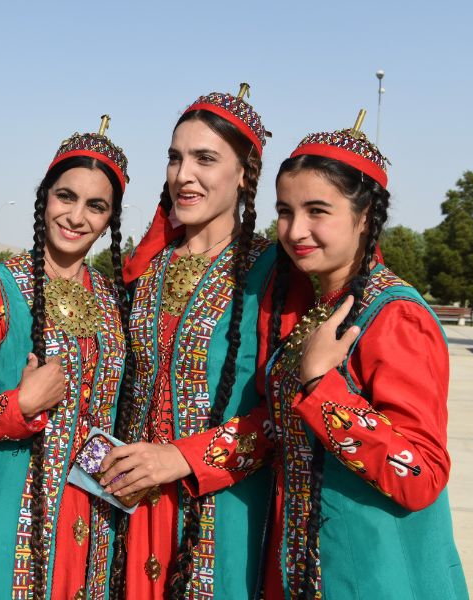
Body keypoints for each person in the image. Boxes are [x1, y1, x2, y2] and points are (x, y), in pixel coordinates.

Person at [262, 111, 468, 599]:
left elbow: (420, 474)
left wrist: (320, 385)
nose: (295, 230)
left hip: (373, 573)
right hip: (310, 566)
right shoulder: (325, 307)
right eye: (286, 211)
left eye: (317, 211)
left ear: (365, 217)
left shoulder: (395, 316)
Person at [101, 86, 281, 599]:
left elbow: (289, 411)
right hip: (131, 513)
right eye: (176, 158)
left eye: (206, 158)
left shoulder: (273, 272)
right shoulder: (149, 268)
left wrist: (182, 458)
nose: (184, 175)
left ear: (245, 173)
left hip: (224, 512)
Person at [0, 117, 130, 599]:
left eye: (96, 206)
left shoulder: (112, 298)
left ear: (110, 219)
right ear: (43, 197)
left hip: (94, 518)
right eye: (65, 197)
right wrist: (19, 405)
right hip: (15, 515)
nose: (76, 217)